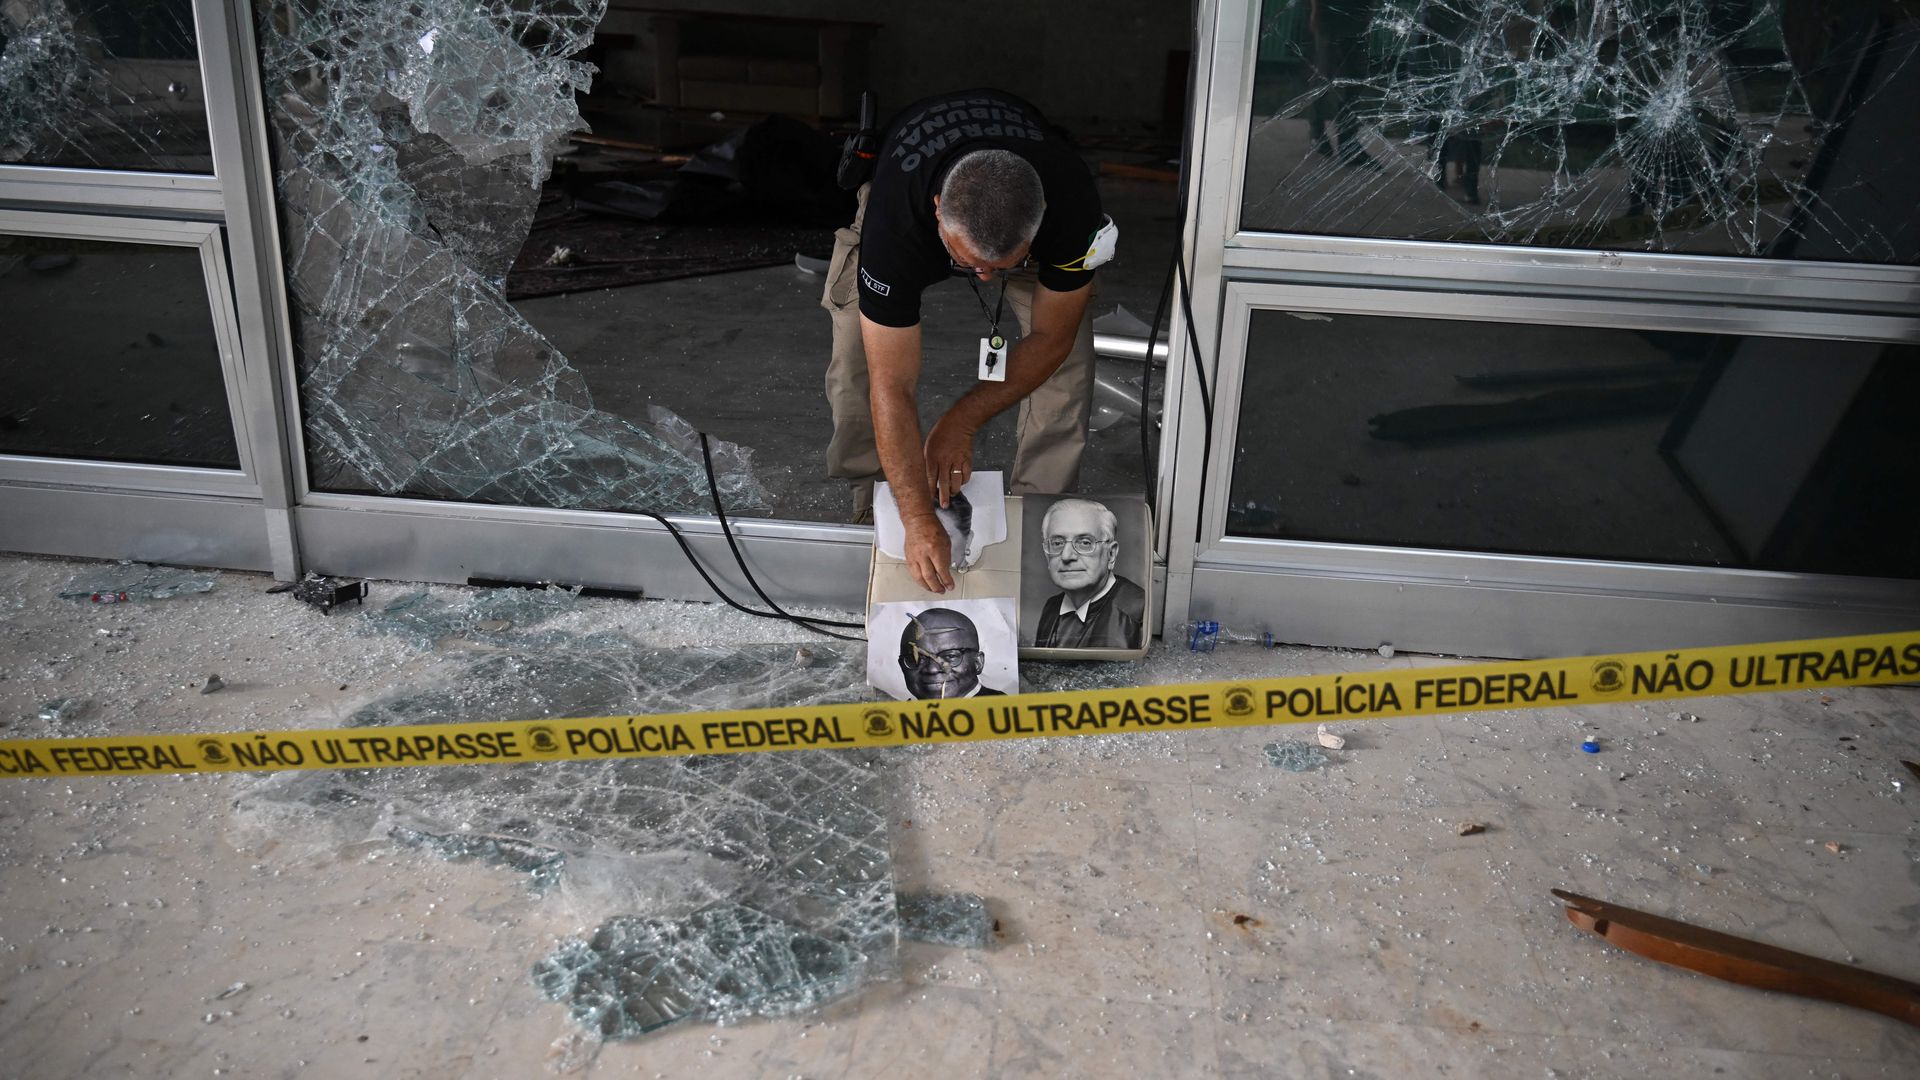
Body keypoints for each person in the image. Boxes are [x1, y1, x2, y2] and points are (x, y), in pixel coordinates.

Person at [822, 89, 1111, 594]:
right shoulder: (899, 221)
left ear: (1040, 216)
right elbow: (893, 385)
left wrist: (962, 420)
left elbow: (1052, 337)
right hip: (906, 195)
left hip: (1022, 212)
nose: (982, 279)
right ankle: (874, 508)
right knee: (856, 362)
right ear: (937, 211)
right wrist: (916, 518)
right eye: (969, 262)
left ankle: (1039, 513)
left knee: (1068, 369)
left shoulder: (1072, 206)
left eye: (999, 268)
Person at [1033, 498, 1145, 649]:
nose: (1067, 556)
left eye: (1085, 543)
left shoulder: (1138, 610)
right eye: (1057, 543)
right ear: (1047, 555)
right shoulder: (1051, 607)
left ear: (1111, 554)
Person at [898, 607, 1005, 699]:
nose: (932, 669)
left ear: (978, 663)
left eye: (950, 656)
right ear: (902, 665)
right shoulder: (894, 718)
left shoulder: (1004, 709)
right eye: (915, 658)